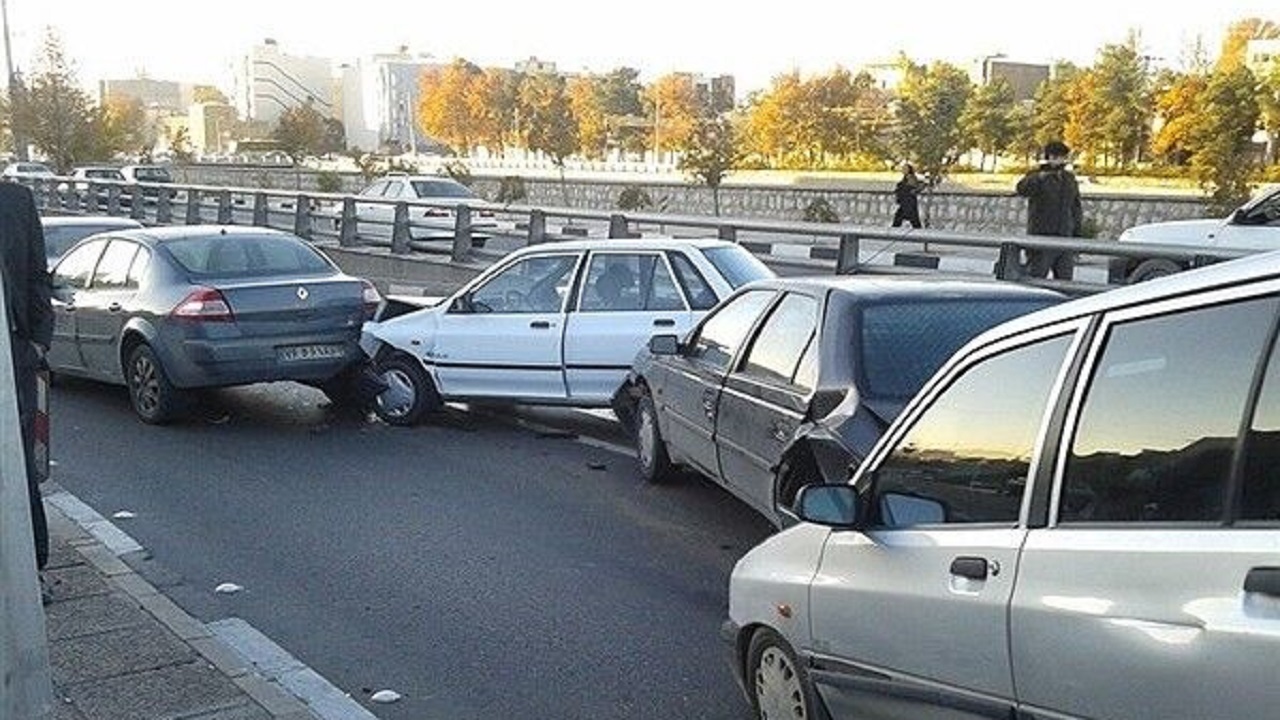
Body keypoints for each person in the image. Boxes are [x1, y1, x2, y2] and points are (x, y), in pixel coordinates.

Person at [0, 181, 54, 601]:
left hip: (13, 351)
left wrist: (37, 341)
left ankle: (31, 569)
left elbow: (38, 275)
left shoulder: (16, 200)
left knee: (16, 463)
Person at [1015, 140, 1084, 279]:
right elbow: (1021, 189)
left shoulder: (1068, 178)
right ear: (1049, 157)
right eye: (1057, 157)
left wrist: (1076, 232)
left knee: (1065, 279)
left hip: (1065, 236)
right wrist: (1039, 177)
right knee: (1037, 276)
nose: (1061, 160)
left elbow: (1075, 206)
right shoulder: (1036, 175)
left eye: (1063, 157)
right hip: (1042, 235)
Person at [892, 163, 923, 229]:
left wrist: (912, 191)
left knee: (913, 219)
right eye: (903, 168)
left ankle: (920, 233)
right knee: (899, 217)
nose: (903, 170)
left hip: (909, 202)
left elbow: (915, 187)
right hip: (905, 202)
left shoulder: (911, 178)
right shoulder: (905, 178)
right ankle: (893, 231)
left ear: (909, 170)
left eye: (905, 168)